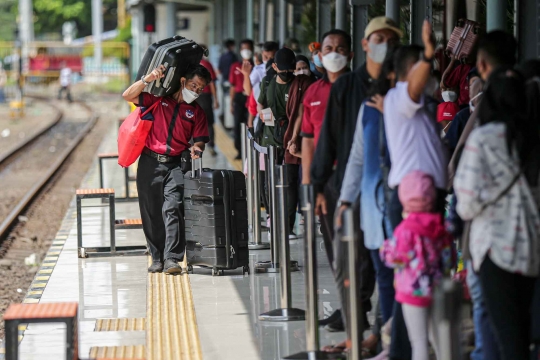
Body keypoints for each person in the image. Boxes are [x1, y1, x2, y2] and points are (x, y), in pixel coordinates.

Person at [310, 17, 401, 351]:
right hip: (348, 188)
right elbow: (328, 141)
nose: (384, 45)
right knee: (348, 262)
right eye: (378, 38)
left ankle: (381, 330)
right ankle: (355, 331)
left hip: (392, 191)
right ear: (364, 44)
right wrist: (318, 186)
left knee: (386, 266)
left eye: (391, 40)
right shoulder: (347, 86)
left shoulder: (401, 85)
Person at [454, 70, 540, 360]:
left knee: (506, 334)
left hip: (494, 248)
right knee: (523, 328)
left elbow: (465, 204)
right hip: (531, 245)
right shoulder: (533, 137)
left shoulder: (483, 138)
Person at [379, 21, 448, 360]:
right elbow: (417, 81)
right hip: (414, 206)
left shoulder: (412, 104)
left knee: (422, 285)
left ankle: (412, 350)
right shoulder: (400, 98)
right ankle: (406, 352)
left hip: (422, 202)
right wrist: (430, 53)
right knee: (415, 287)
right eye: (424, 67)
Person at [337, 44, 400, 358]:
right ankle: (388, 341)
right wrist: (345, 200)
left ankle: (399, 341)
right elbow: (357, 157)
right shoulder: (369, 107)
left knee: (408, 278)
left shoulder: (417, 108)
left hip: (407, 209)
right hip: (376, 209)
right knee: (386, 278)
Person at [122, 64, 211, 274]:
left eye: (200, 89)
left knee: (173, 207)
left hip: (176, 164)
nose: (196, 91)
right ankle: (156, 256)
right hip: (149, 161)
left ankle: (172, 258)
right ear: (183, 82)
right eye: (193, 85)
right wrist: (148, 79)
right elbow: (128, 95)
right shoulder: (159, 100)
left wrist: (196, 149)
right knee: (151, 210)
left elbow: (200, 141)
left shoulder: (196, 112)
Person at [380, 171, 454, 360]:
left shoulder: (405, 230)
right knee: (440, 339)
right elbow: (450, 259)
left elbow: (394, 258)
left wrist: (385, 248)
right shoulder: (441, 226)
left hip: (412, 294)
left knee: (418, 342)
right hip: (438, 290)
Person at [257, 47, 300, 235]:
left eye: (291, 71)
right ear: (274, 66)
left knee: (290, 181)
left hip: (291, 136)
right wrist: (264, 115)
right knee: (268, 181)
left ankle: (288, 225)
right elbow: (261, 103)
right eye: (283, 70)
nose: (287, 74)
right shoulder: (267, 81)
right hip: (270, 136)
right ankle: (272, 219)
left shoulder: (297, 84)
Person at [230, 39, 255, 159]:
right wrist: (231, 103)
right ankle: (240, 150)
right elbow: (233, 86)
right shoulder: (235, 66)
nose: (246, 51)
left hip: (252, 98)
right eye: (244, 49)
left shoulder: (256, 66)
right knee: (237, 126)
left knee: (250, 125)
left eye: (248, 48)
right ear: (240, 50)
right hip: (239, 98)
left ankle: (251, 150)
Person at [198, 50, 219, 156]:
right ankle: (211, 146)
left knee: (191, 121)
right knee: (209, 122)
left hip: (193, 97)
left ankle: (193, 146)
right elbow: (212, 83)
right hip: (205, 96)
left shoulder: (191, 64)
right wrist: (215, 99)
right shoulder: (207, 64)